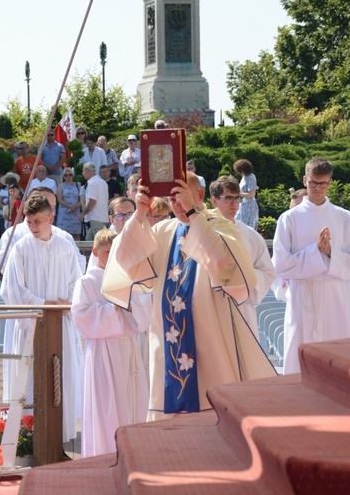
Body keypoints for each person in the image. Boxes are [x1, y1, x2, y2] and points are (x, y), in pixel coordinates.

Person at [102, 173, 276, 421]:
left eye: (183, 198)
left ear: (200, 195)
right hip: (168, 335)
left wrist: (195, 215)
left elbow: (228, 267)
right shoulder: (163, 230)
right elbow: (127, 260)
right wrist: (140, 214)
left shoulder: (220, 226)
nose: (178, 205)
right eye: (173, 199)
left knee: (213, 409)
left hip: (210, 336)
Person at [0, 194, 83, 442]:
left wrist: (69, 302)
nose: (33, 227)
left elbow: (76, 280)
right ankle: (28, 436)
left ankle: (59, 433)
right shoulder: (21, 248)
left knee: (60, 377)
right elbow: (12, 289)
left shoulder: (65, 246)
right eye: (29, 221)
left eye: (37, 221)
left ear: (50, 218)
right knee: (29, 380)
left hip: (60, 323)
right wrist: (43, 305)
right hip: (29, 323)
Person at [272, 157, 350, 374]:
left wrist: (331, 252)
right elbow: (281, 265)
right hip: (303, 294)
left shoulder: (343, 217)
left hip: (335, 296)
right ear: (305, 180)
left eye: (323, 184)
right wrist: (315, 252)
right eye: (313, 183)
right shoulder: (289, 218)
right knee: (300, 353)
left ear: (330, 183)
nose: (318, 188)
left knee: (338, 351)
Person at [71, 229, 148, 457]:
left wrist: (132, 306)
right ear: (95, 252)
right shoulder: (87, 281)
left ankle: (133, 453)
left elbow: (143, 316)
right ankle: (105, 454)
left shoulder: (129, 279)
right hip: (103, 351)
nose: (113, 257)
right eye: (107, 252)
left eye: (117, 252)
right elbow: (81, 316)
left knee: (132, 403)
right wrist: (113, 307)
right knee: (106, 408)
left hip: (128, 347)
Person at [209, 176, 276, 338]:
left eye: (237, 198)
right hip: (212, 307)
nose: (234, 203)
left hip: (243, 308)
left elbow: (268, 273)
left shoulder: (251, 235)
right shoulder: (205, 232)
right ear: (214, 201)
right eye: (228, 198)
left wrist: (245, 275)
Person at [78, 162, 110, 240]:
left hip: (96, 218)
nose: (83, 174)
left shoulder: (92, 183)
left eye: (83, 171)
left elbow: (92, 202)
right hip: (103, 217)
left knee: (101, 242)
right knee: (88, 240)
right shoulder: (103, 182)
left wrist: (83, 214)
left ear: (87, 172)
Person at [56, 167, 83, 240]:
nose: (68, 177)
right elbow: (60, 200)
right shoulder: (60, 186)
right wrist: (70, 206)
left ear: (73, 175)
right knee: (62, 235)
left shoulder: (78, 185)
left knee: (76, 235)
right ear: (63, 176)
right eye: (66, 175)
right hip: (64, 213)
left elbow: (82, 199)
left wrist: (76, 207)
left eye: (70, 175)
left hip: (76, 213)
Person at [233, 158, 259, 230]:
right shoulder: (244, 177)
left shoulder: (251, 177)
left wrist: (238, 193)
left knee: (245, 227)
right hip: (243, 204)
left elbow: (251, 195)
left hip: (249, 206)